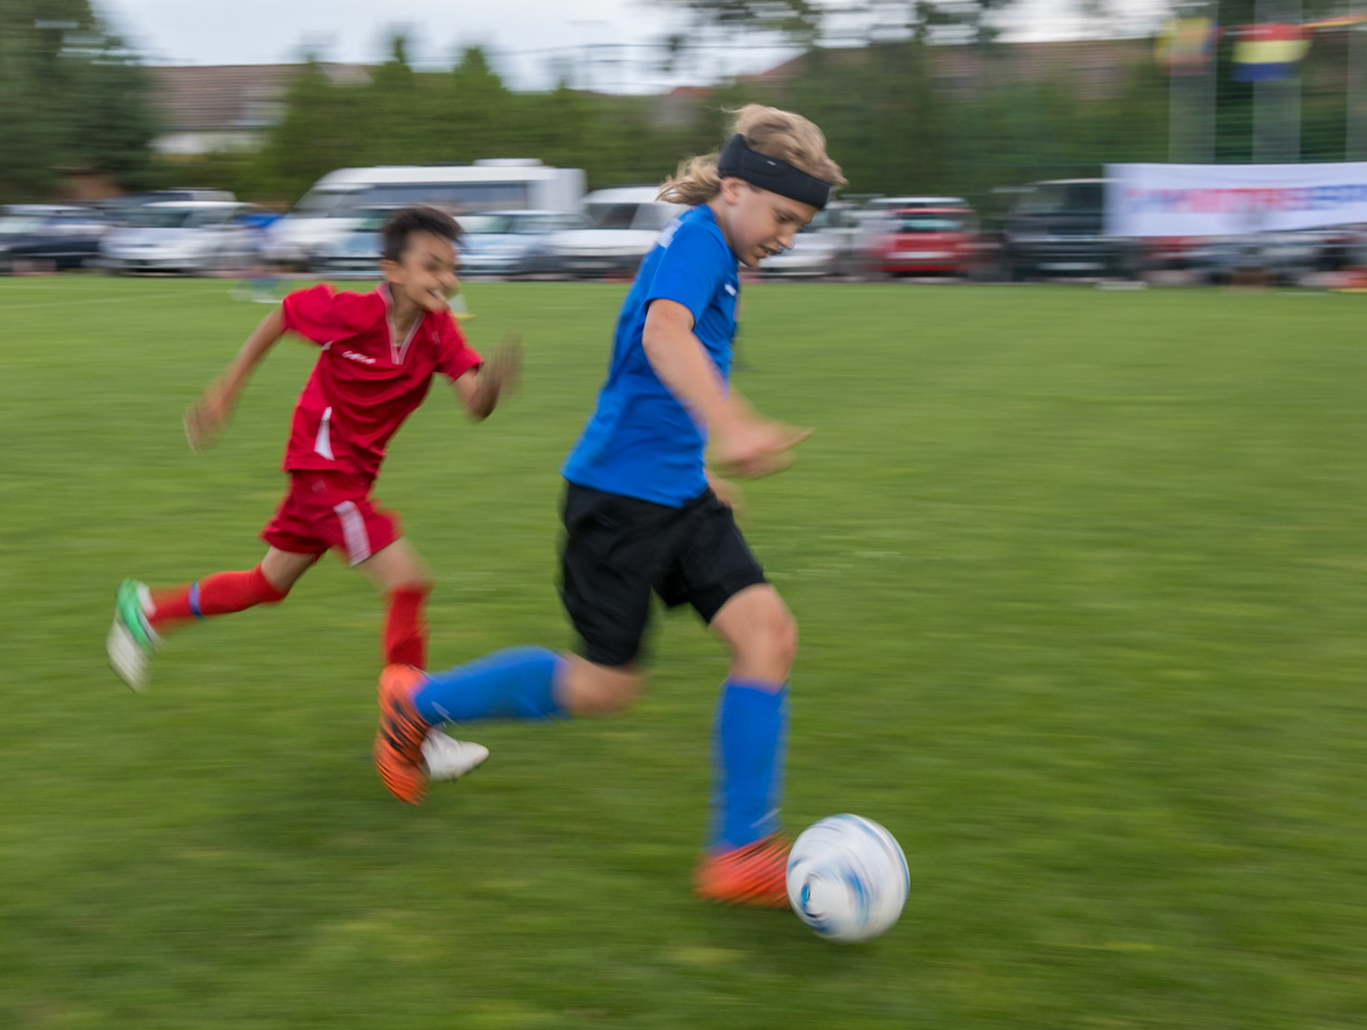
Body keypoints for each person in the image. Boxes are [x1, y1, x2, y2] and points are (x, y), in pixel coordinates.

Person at [371, 105, 844, 908]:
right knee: (605, 685)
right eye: (784, 217)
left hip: (677, 493)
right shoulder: (697, 242)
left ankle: (739, 852)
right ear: (735, 189)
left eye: (799, 224)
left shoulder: (714, 249)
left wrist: (702, 462)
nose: (788, 237)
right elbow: (665, 340)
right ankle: (415, 705)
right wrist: (731, 427)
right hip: (619, 503)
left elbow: (667, 370)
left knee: (769, 635)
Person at [107, 205, 521, 781]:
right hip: (321, 469)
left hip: (344, 480)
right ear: (392, 270)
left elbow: (475, 403)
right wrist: (226, 390)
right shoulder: (349, 312)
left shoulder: (439, 331)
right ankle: (415, 735)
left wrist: (495, 384)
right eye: (431, 266)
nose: (446, 280)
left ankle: (147, 610)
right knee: (408, 581)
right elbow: (282, 314)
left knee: (267, 584)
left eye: (453, 269)